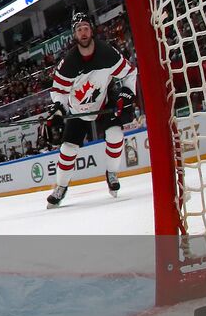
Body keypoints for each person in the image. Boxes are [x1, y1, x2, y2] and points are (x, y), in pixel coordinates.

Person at [43, 11, 138, 208]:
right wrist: (59, 108)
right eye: (79, 29)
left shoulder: (107, 53)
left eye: (86, 28)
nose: (83, 32)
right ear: (74, 34)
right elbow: (58, 91)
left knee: (115, 135)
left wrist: (127, 93)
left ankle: (112, 173)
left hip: (103, 102)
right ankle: (60, 187)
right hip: (78, 110)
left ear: (91, 30)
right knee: (68, 149)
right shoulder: (68, 62)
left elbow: (130, 73)